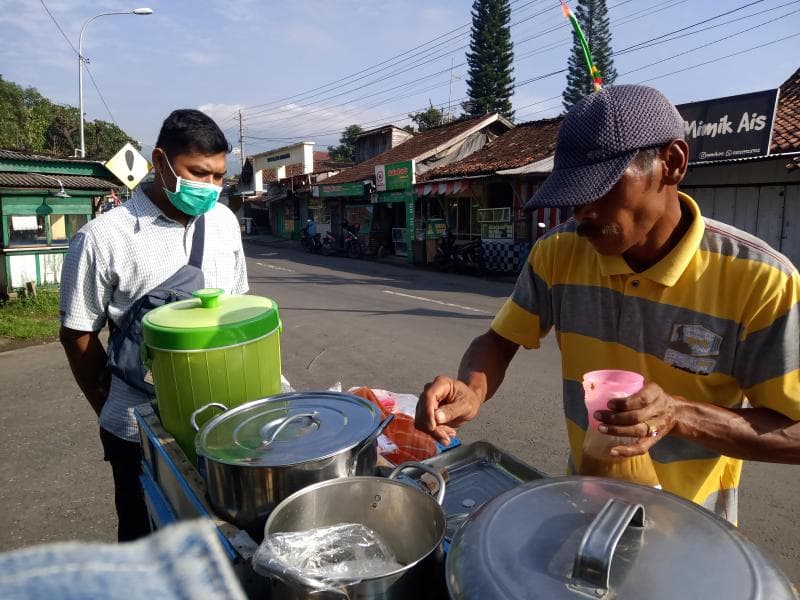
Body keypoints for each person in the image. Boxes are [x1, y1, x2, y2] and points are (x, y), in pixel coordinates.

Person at [415, 84, 800, 523]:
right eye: (573, 193)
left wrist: (679, 415)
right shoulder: (558, 253)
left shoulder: (761, 279)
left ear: (672, 163)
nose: (582, 211)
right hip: (587, 503)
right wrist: (472, 389)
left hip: (693, 526)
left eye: (601, 187)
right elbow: (500, 340)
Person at [59, 109, 248, 541]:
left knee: (224, 542)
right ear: (160, 161)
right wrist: (107, 402)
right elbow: (77, 334)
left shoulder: (224, 223)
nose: (210, 187)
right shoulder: (103, 237)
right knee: (145, 536)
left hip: (220, 424)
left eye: (219, 176)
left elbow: (238, 311)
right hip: (136, 428)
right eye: (198, 173)